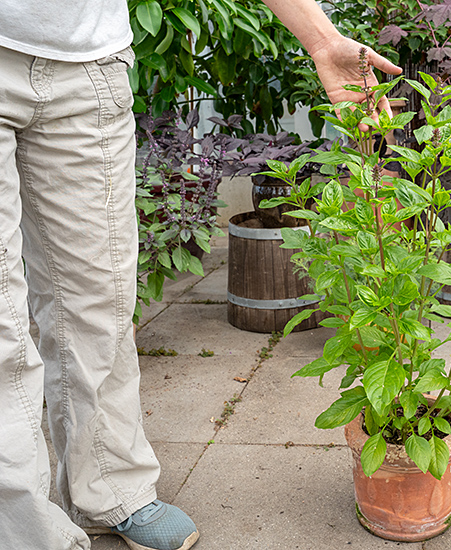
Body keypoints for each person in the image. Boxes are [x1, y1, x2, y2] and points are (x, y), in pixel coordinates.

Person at [0, 1, 400, 549]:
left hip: (87, 58)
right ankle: (23, 531)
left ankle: (110, 490)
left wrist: (322, 39)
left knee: (100, 300)